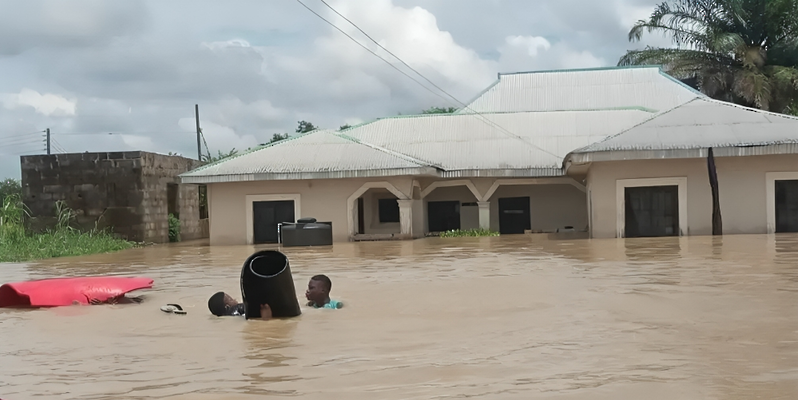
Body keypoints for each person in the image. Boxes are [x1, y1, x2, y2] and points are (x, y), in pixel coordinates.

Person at [207, 291, 272, 320]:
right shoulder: (238, 308)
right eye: (230, 299)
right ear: (227, 306)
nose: (234, 299)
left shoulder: (229, 315)